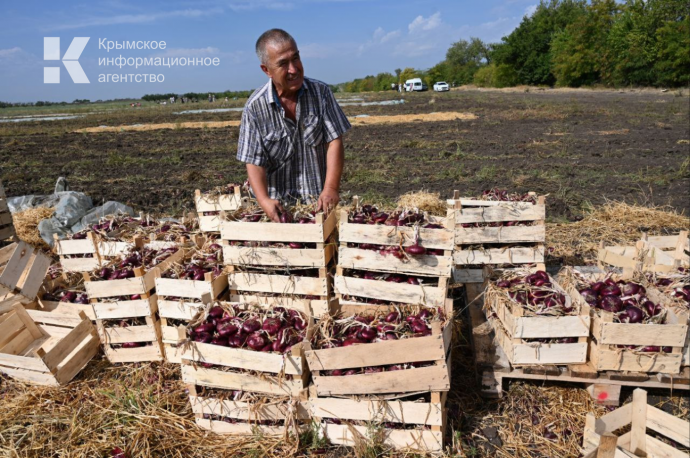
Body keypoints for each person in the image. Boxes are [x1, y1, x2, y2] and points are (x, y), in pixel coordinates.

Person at [236, 29, 351, 222]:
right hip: (279, 210)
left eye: (295, 58)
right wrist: (264, 200)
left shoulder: (320, 93)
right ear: (266, 70)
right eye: (283, 64)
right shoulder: (255, 107)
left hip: (319, 205)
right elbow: (254, 161)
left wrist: (331, 188)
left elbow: (334, 141)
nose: (293, 69)